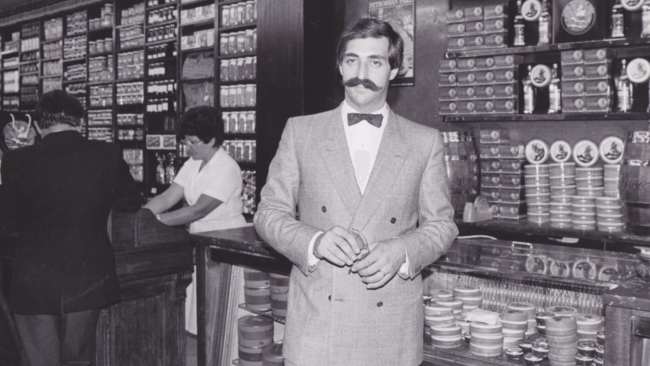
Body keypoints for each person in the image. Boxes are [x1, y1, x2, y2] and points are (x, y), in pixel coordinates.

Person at [254, 18, 458, 366]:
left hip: (390, 328)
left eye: (375, 61)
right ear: (339, 65)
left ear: (394, 70)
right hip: (318, 324)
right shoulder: (301, 132)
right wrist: (314, 241)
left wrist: (403, 250)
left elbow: (443, 225)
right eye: (352, 60)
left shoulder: (424, 142)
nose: (361, 72)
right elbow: (267, 214)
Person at [0, 90, 143, 366]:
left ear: (39, 126)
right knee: (78, 360)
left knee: (41, 362)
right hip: (88, 279)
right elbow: (131, 202)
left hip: (34, 282)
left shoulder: (18, 160)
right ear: (81, 123)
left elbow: (5, 222)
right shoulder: (107, 153)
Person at [144, 106, 246, 334]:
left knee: (220, 314)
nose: (187, 147)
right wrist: (142, 216)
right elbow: (169, 196)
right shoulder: (192, 164)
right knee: (201, 311)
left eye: (193, 142)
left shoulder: (227, 168)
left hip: (225, 240)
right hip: (200, 239)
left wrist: (154, 222)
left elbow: (197, 210)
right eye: (185, 142)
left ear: (211, 141)